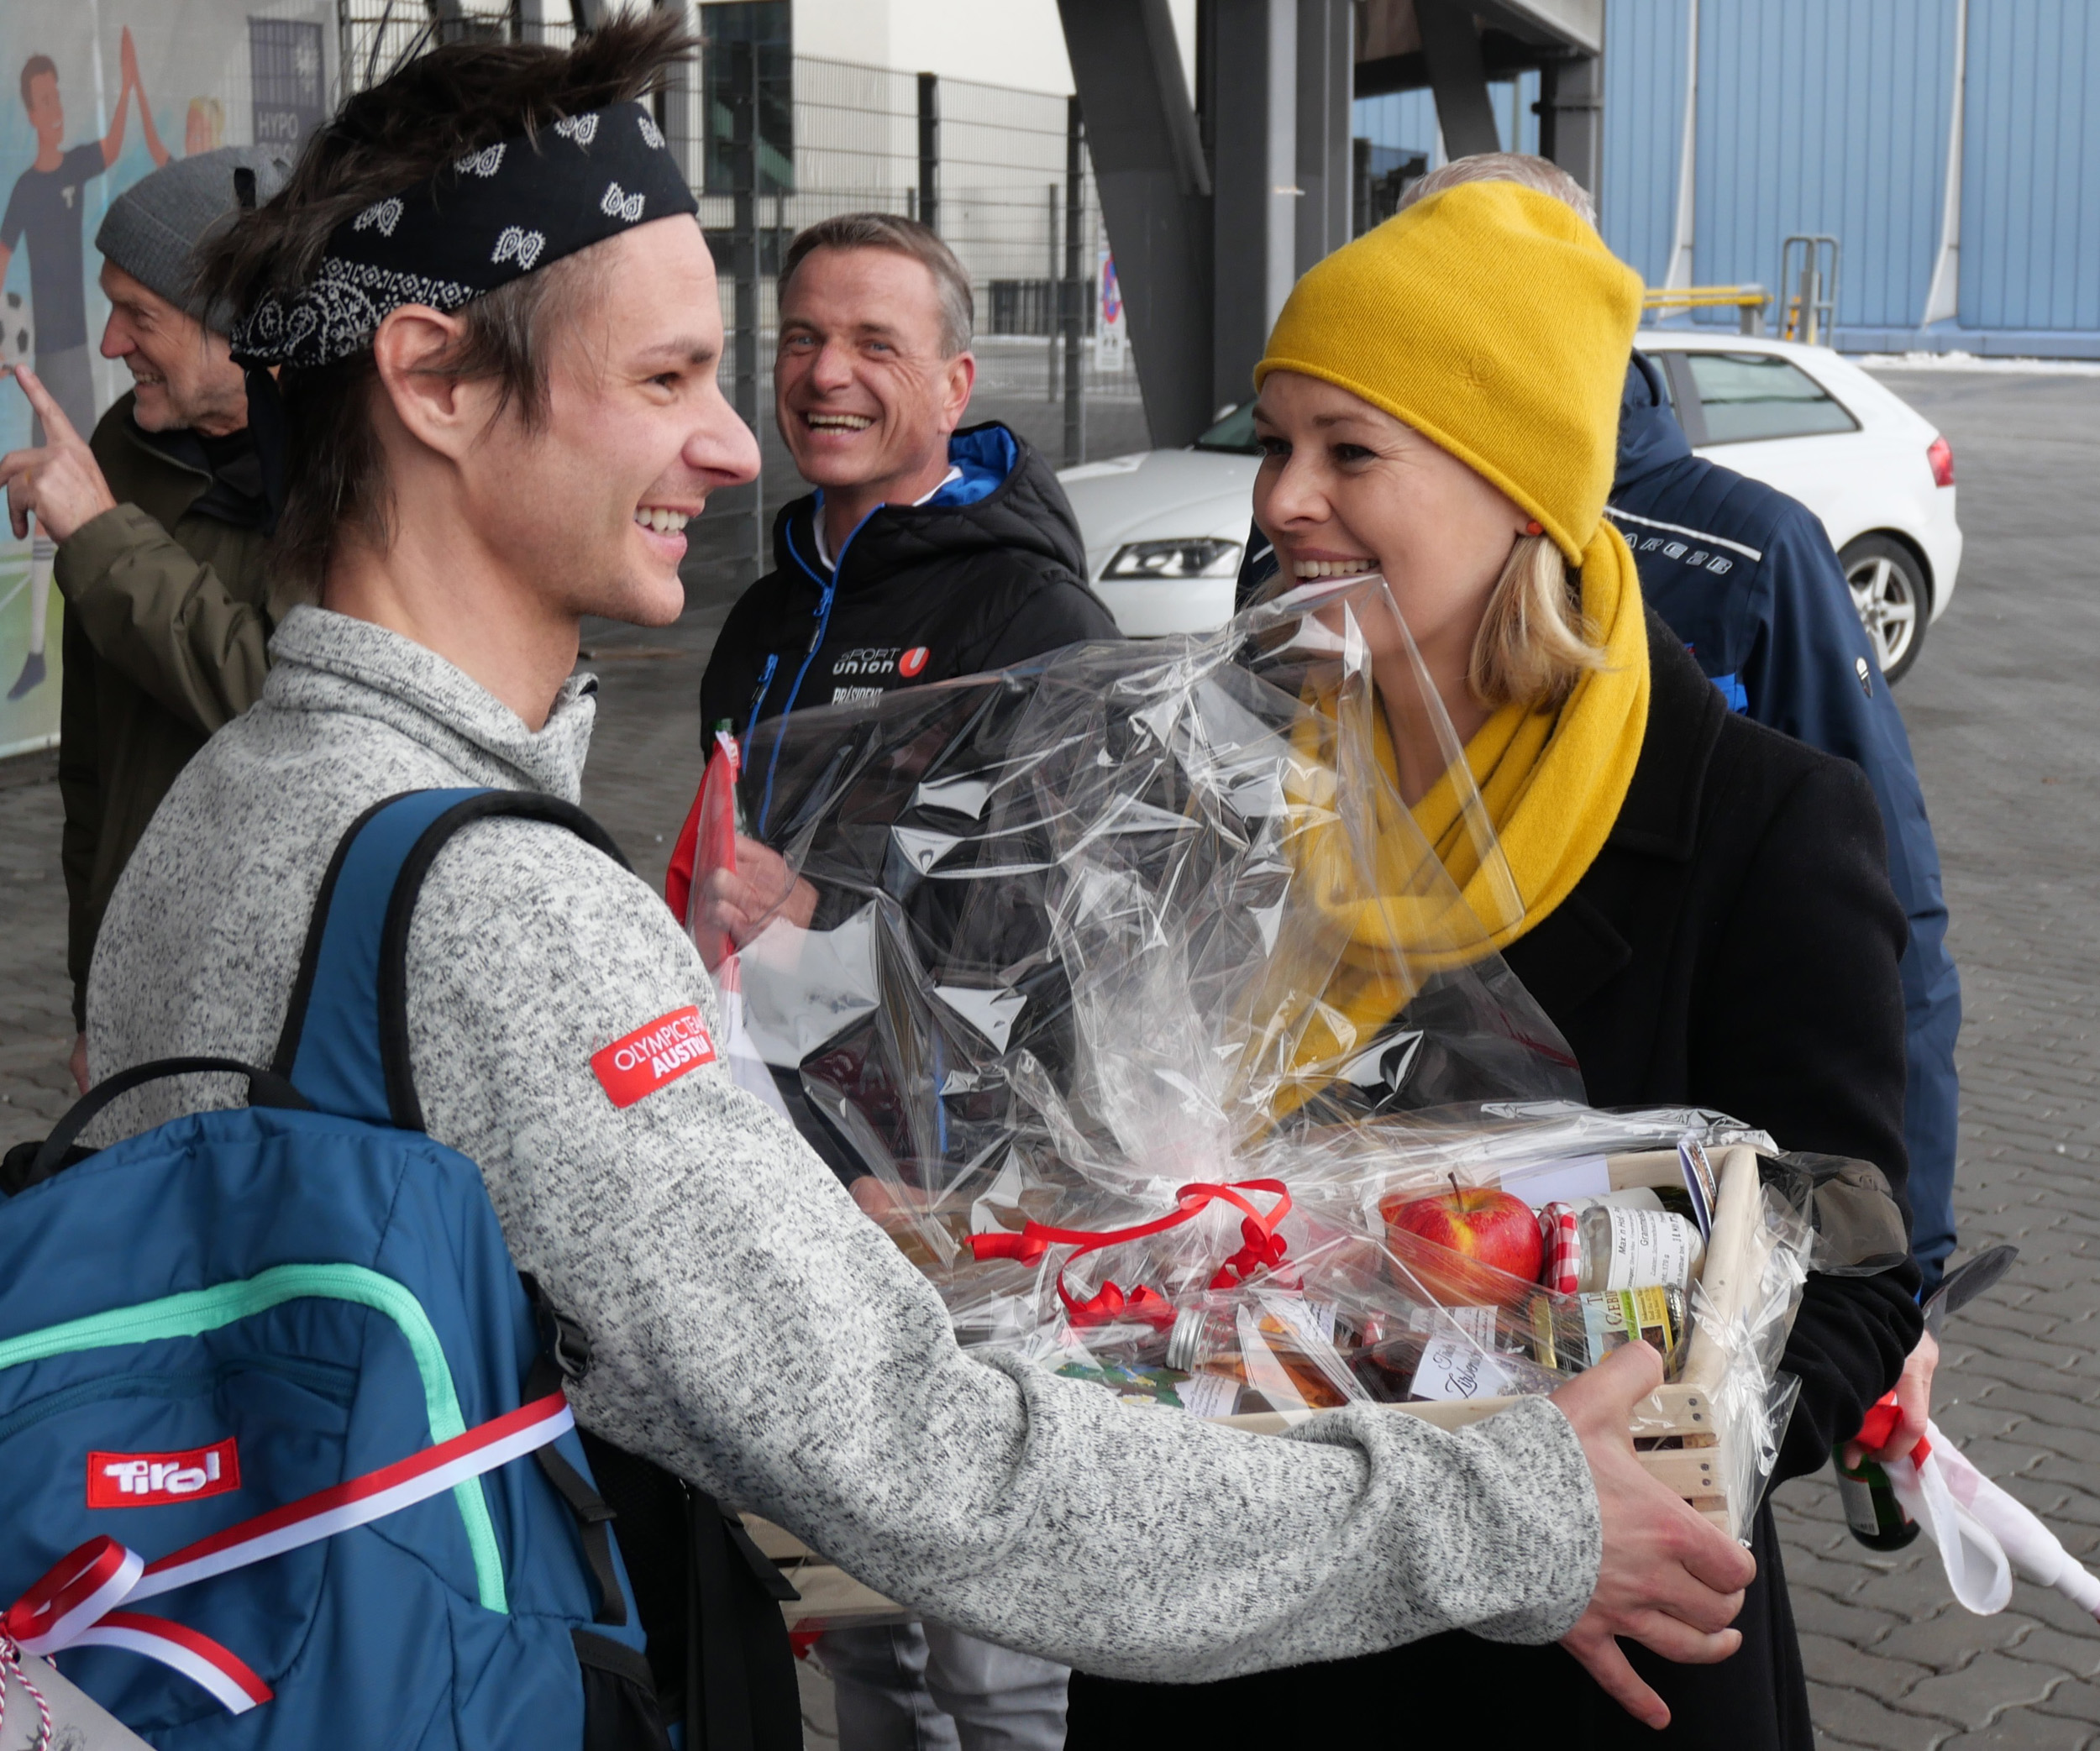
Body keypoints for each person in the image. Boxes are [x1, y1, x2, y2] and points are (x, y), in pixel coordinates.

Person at [85, 15, 1751, 1731]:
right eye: (666, 378)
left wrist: (809, 1228)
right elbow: (931, 1467)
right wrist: (1503, 1508)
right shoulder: (498, 902)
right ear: (432, 381)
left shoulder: (233, 796)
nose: (738, 441)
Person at [1070, 180, 1922, 1750]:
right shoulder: (1217, 782)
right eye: (1275, 443)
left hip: (1575, 1655)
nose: (1283, 502)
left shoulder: (1757, 824)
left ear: (1514, 485)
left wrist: (1602, 1451)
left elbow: (1856, 1267)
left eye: (1350, 450)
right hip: (1243, 1623)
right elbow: (1106, 1158)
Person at [689, 209, 1115, 1751]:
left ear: (954, 378)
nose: (827, 374)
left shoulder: (1030, 614)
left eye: (875, 342)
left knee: (996, 1640)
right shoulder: (764, 611)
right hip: (791, 1164)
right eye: (803, 337)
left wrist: (813, 916)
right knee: (857, 1603)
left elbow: (1058, 931)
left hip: (968, 1184)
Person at [1612, 350, 1962, 1296]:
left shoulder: (1748, 544)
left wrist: (1905, 1260)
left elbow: (1893, 911)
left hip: (1691, 1247)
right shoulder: (1312, 536)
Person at [0, 145, 293, 1098]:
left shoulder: (352, 477)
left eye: (141, 315)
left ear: (236, 325)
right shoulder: (122, 451)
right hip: (142, 992)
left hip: (289, 1004)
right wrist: (97, 996)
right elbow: (93, 766)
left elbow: (280, 702)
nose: (110, 345)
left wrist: (100, 535)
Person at [1, 29, 142, 699]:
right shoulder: (28, 187)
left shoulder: (77, 165)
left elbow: (114, 149)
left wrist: (128, 83)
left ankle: (80, 648)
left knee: (82, 495)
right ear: (30, 113)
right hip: (42, 368)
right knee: (36, 496)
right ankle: (38, 652)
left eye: (58, 96)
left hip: (77, 359)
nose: (53, 107)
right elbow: (1, 262)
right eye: (44, 99)